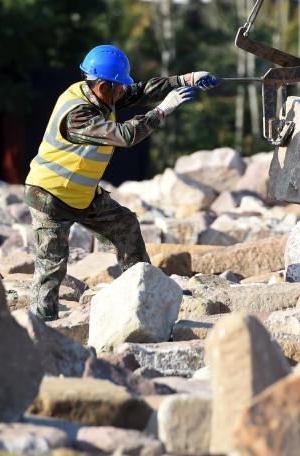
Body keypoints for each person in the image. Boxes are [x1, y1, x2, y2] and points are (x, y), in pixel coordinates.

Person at [24, 44, 218, 321]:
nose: (122, 92)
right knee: (51, 266)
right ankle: (42, 327)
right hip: (49, 196)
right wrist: (162, 111)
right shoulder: (78, 115)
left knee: (125, 225)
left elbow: (140, 91)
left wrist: (187, 79)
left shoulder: (101, 94)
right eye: (118, 87)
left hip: (81, 194)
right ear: (103, 85)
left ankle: (144, 294)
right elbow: (125, 135)